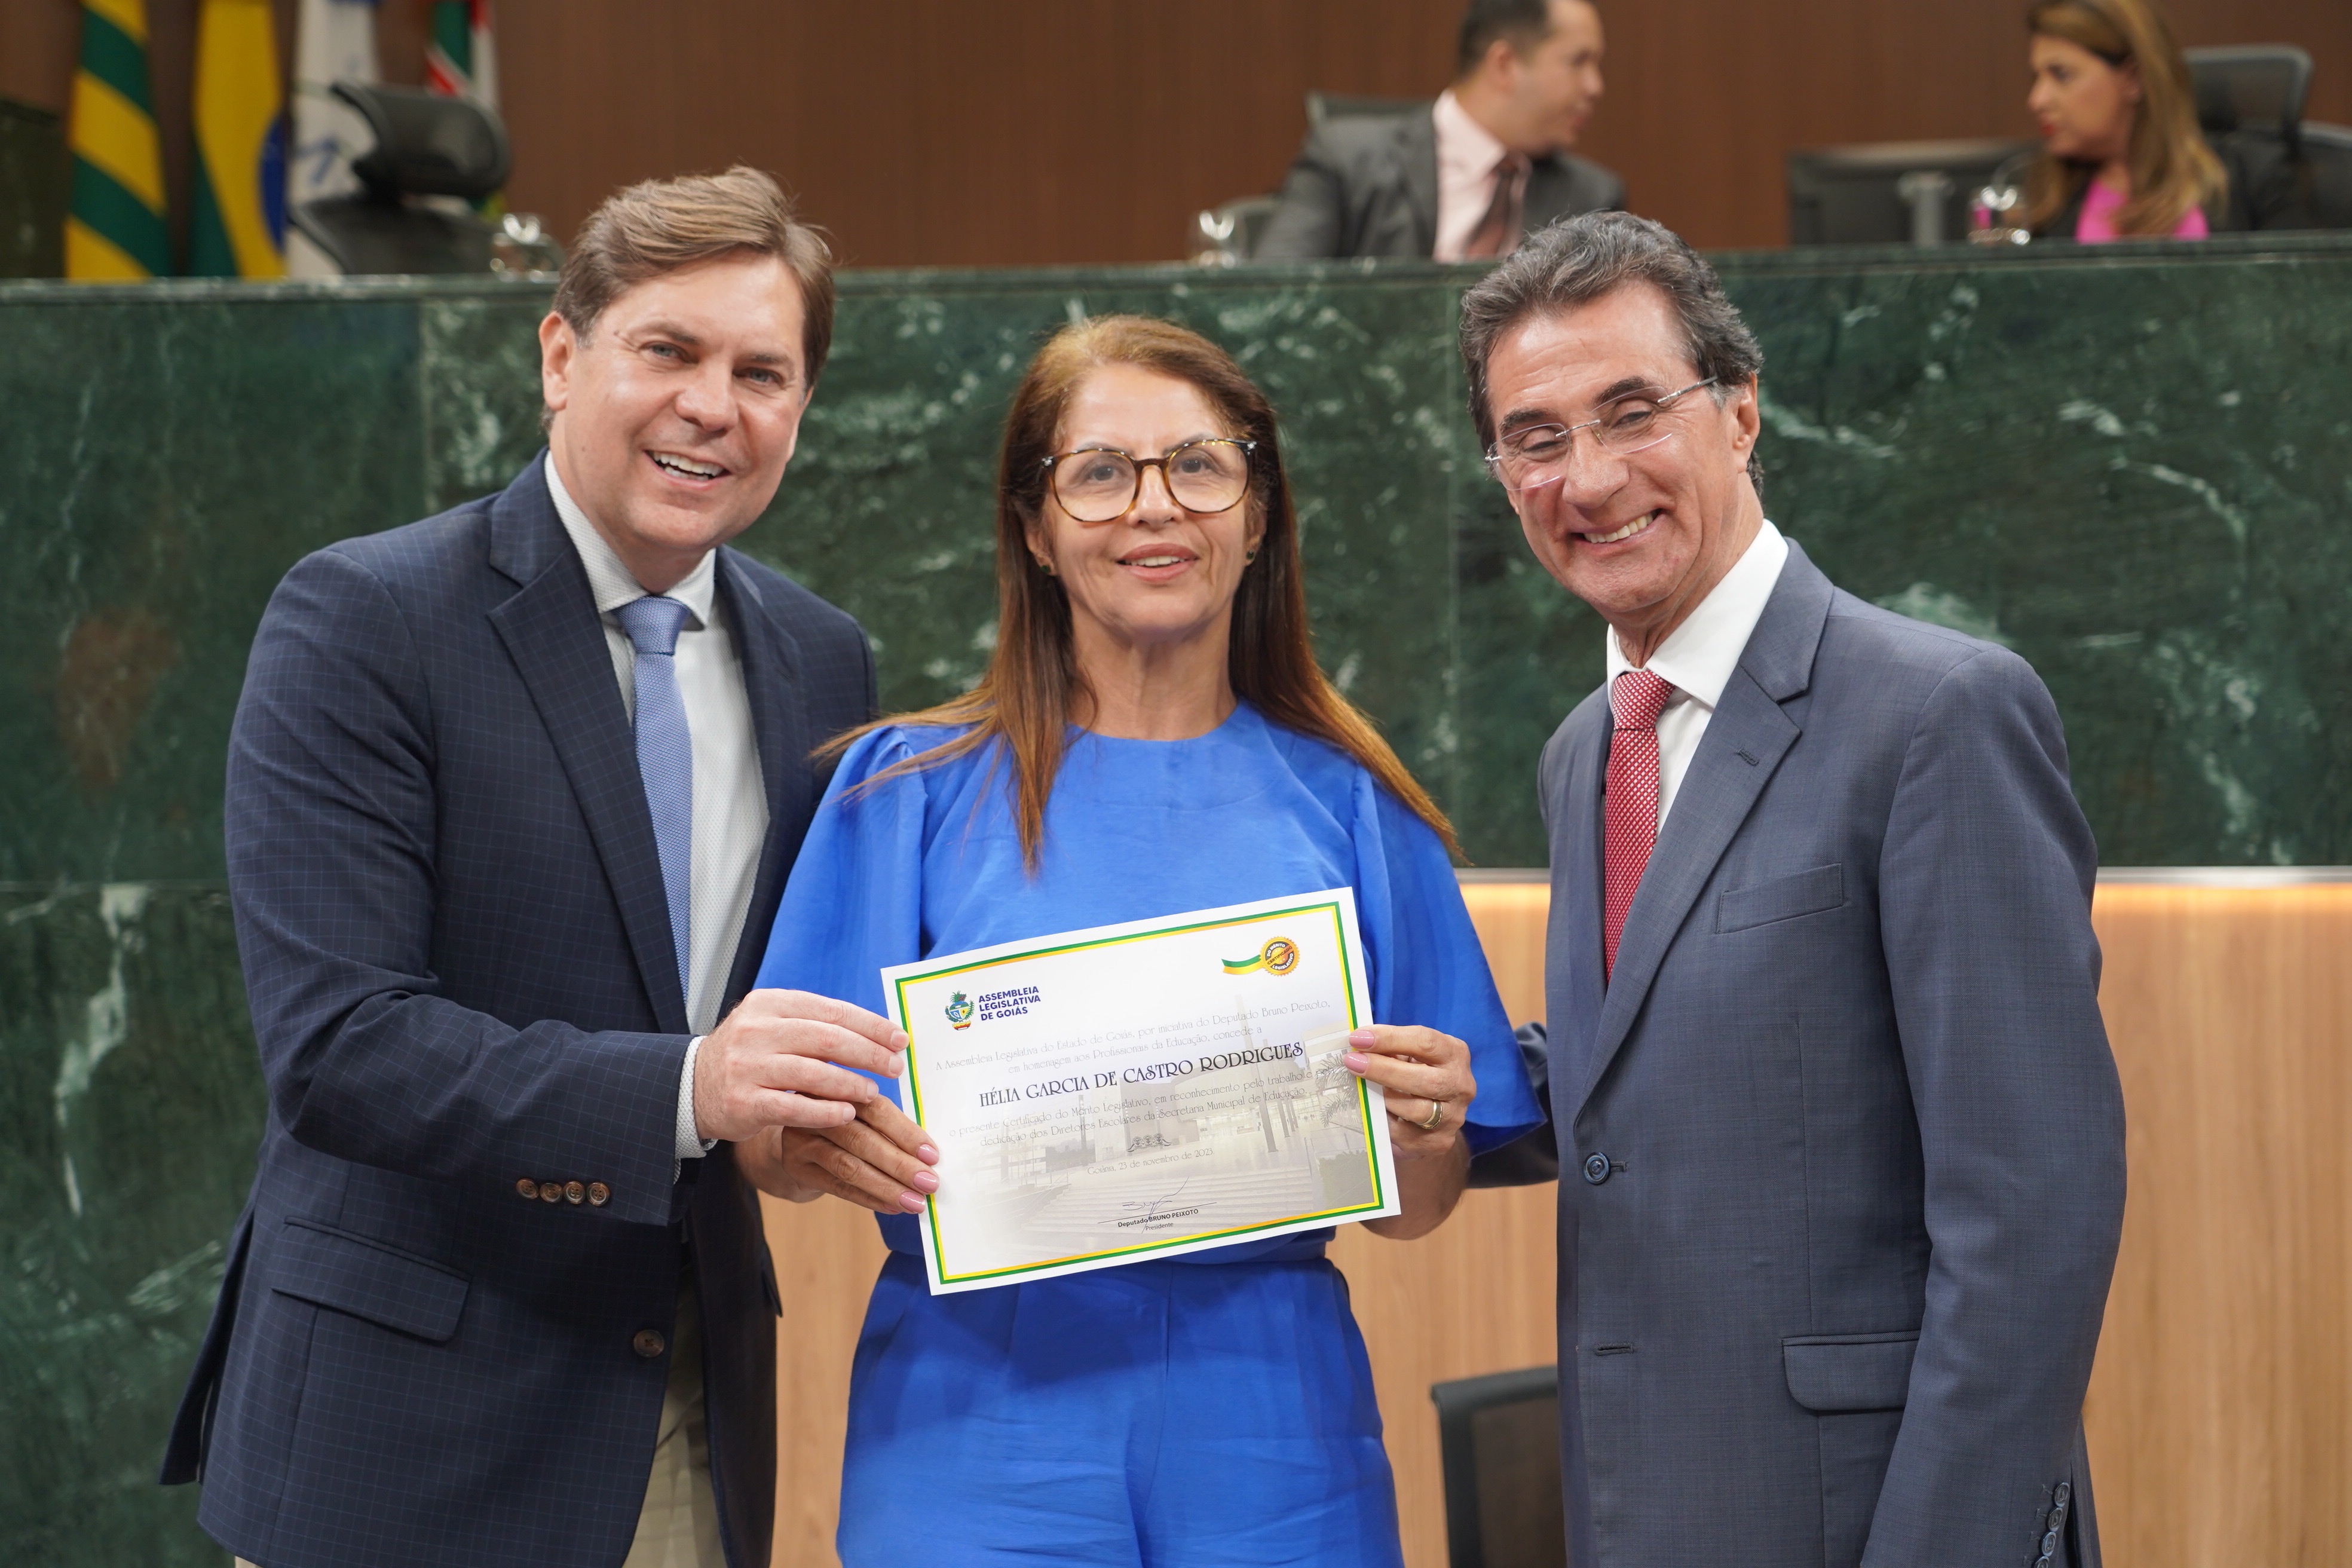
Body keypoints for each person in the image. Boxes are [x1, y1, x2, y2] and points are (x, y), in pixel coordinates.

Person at [161, 168, 916, 1568]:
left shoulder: (822, 658)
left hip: (688, 1418)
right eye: (668, 350)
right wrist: (693, 1090)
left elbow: (777, 1014)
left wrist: (804, 1122)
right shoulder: (368, 617)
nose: (713, 405)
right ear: (561, 357)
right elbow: (341, 1046)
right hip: (408, 1435)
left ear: (802, 407)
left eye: (762, 372)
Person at [748, 314, 1544, 1567]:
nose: (1154, 506)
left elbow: (1417, 1208)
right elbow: (775, 1155)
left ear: (1258, 513)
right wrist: (811, 1139)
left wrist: (1429, 1130)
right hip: (975, 1424)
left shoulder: (1359, 807)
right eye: (1102, 471)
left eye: (1200, 465)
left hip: (1274, 1424)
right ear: (1034, 526)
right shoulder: (902, 794)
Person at [1459, 211, 2127, 1568]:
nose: (1588, 477)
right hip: (1646, 1500)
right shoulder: (1586, 749)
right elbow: (1647, 1062)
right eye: (1535, 438)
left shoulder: (1938, 712)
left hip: (1874, 1519)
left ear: (1741, 410)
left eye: (1632, 411)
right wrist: (1427, 1090)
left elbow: (2033, 1213)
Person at [1255, 0, 1621, 262]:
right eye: (1578, 61)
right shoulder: (1347, 159)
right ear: (1505, 65)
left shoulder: (1592, 196)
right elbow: (1269, 297)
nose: (1595, 87)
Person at [2020, 0, 2283, 239]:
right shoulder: (2034, 195)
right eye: (2036, 78)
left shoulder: (2259, 180)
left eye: (2061, 75)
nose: (2037, 100)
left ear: (2134, 78)